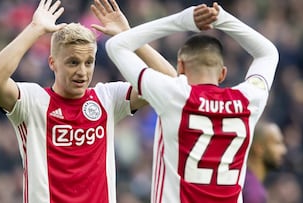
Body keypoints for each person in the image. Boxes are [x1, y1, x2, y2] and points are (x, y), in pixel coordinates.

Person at [0, 0, 175, 202]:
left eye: (88, 62)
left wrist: (130, 37)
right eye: (73, 62)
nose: (82, 72)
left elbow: (169, 82)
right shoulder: (33, 102)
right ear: (52, 63)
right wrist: (35, 29)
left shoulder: (106, 98)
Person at [106, 2, 279, 203]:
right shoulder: (248, 100)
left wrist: (183, 21)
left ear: (180, 67)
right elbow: (268, 53)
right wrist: (221, 18)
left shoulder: (174, 96)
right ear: (223, 73)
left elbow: (116, 45)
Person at [243, 121, 287, 203]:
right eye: (277, 143)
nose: (283, 150)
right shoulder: (253, 194)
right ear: (258, 148)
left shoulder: (242, 180)